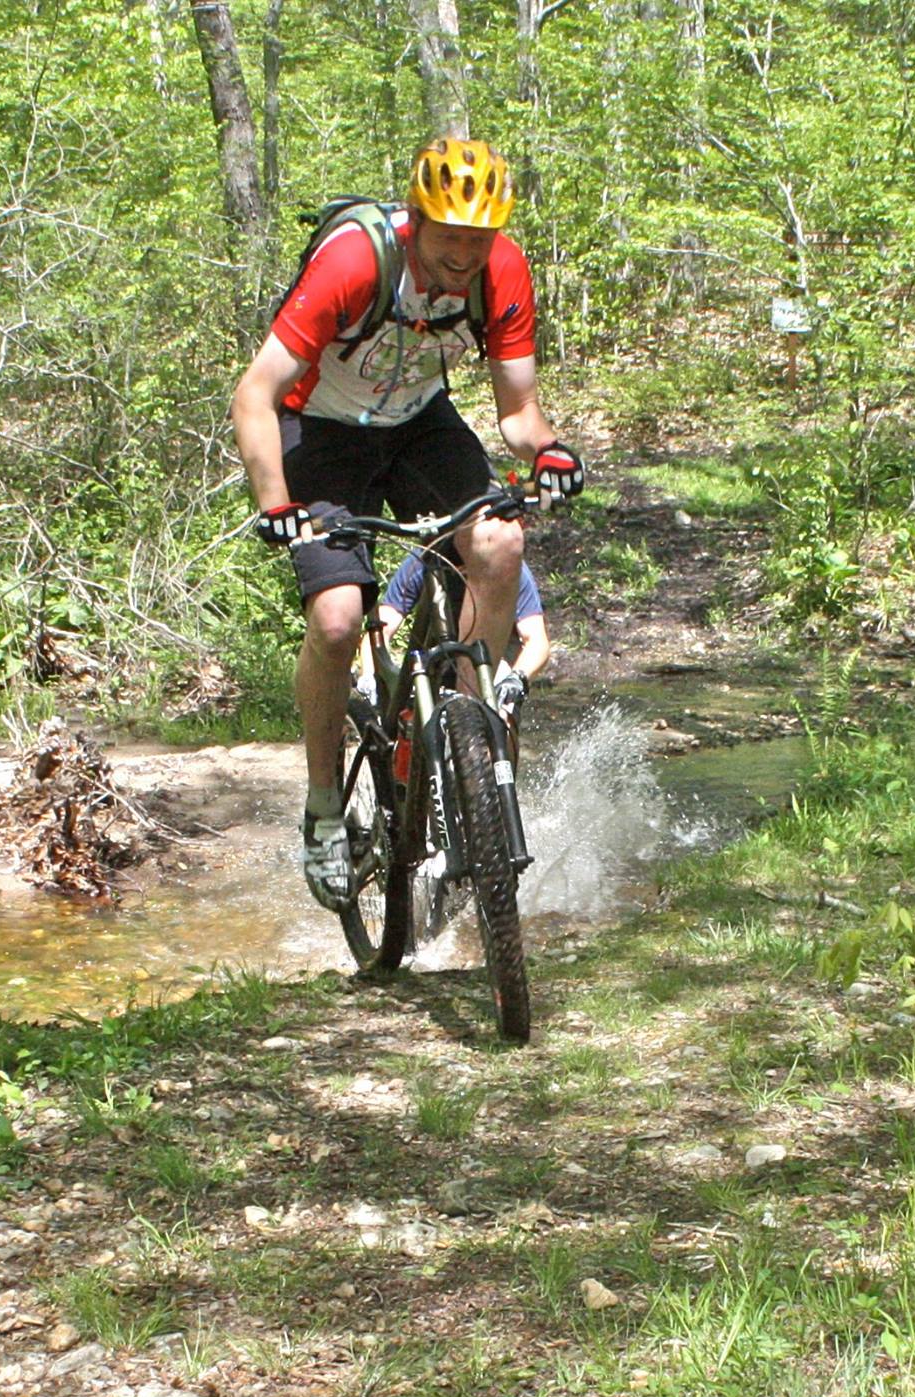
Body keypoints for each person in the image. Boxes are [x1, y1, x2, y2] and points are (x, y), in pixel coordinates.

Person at [230, 138, 585, 913]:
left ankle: (464, 740)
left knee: (499, 540)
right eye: (449, 235)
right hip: (319, 430)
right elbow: (255, 392)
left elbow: (520, 414)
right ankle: (325, 807)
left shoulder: (502, 271)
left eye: (478, 238)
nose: (464, 254)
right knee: (337, 619)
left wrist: (550, 452)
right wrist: (276, 504)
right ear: (416, 221)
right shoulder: (355, 263)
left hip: (420, 424)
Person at [375, 554, 551, 720]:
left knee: (500, 709)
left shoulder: (507, 564)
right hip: (437, 649)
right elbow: (381, 628)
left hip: (496, 651)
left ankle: (498, 737)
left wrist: (517, 678)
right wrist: (369, 677)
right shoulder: (419, 562)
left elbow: (536, 641)